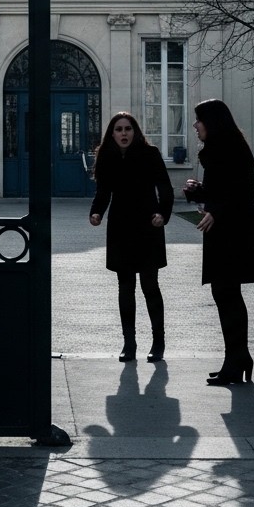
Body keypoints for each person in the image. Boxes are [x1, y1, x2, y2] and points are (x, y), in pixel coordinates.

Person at [182, 99, 254, 386]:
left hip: (234, 233)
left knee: (228, 294)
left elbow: (243, 193)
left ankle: (237, 359)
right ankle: (237, 358)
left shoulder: (231, 149)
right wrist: (197, 192)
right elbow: (222, 192)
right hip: (224, 231)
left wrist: (216, 208)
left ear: (213, 122)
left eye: (199, 120)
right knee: (225, 294)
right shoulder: (218, 149)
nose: (195, 125)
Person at [89, 112, 174, 362]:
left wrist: (163, 213)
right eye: (118, 129)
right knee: (125, 287)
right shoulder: (106, 156)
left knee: (150, 285)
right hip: (120, 227)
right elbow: (103, 191)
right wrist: (96, 212)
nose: (123, 133)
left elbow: (165, 187)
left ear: (135, 131)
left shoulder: (150, 154)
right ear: (112, 133)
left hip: (148, 224)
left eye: (128, 128)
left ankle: (158, 341)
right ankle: (129, 343)